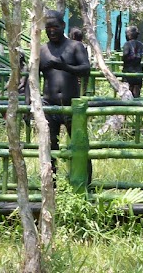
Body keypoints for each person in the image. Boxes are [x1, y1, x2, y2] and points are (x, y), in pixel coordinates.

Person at [40, 11, 91, 178]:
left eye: (55, 27)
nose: (52, 31)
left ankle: (85, 184)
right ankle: (51, 184)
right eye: (48, 28)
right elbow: (30, 77)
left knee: (79, 145)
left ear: (63, 26)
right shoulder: (42, 50)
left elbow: (86, 69)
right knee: (50, 145)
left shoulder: (75, 46)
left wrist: (66, 67)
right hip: (49, 105)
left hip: (72, 105)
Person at [121, 26, 143, 98]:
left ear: (129, 35)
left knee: (126, 94)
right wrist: (142, 65)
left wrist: (124, 60)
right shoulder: (141, 45)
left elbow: (125, 54)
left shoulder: (127, 44)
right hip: (138, 71)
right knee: (136, 93)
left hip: (128, 71)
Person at [69, 27, 91, 96]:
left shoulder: (70, 46)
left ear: (73, 36)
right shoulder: (84, 46)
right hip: (81, 74)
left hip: (74, 73)